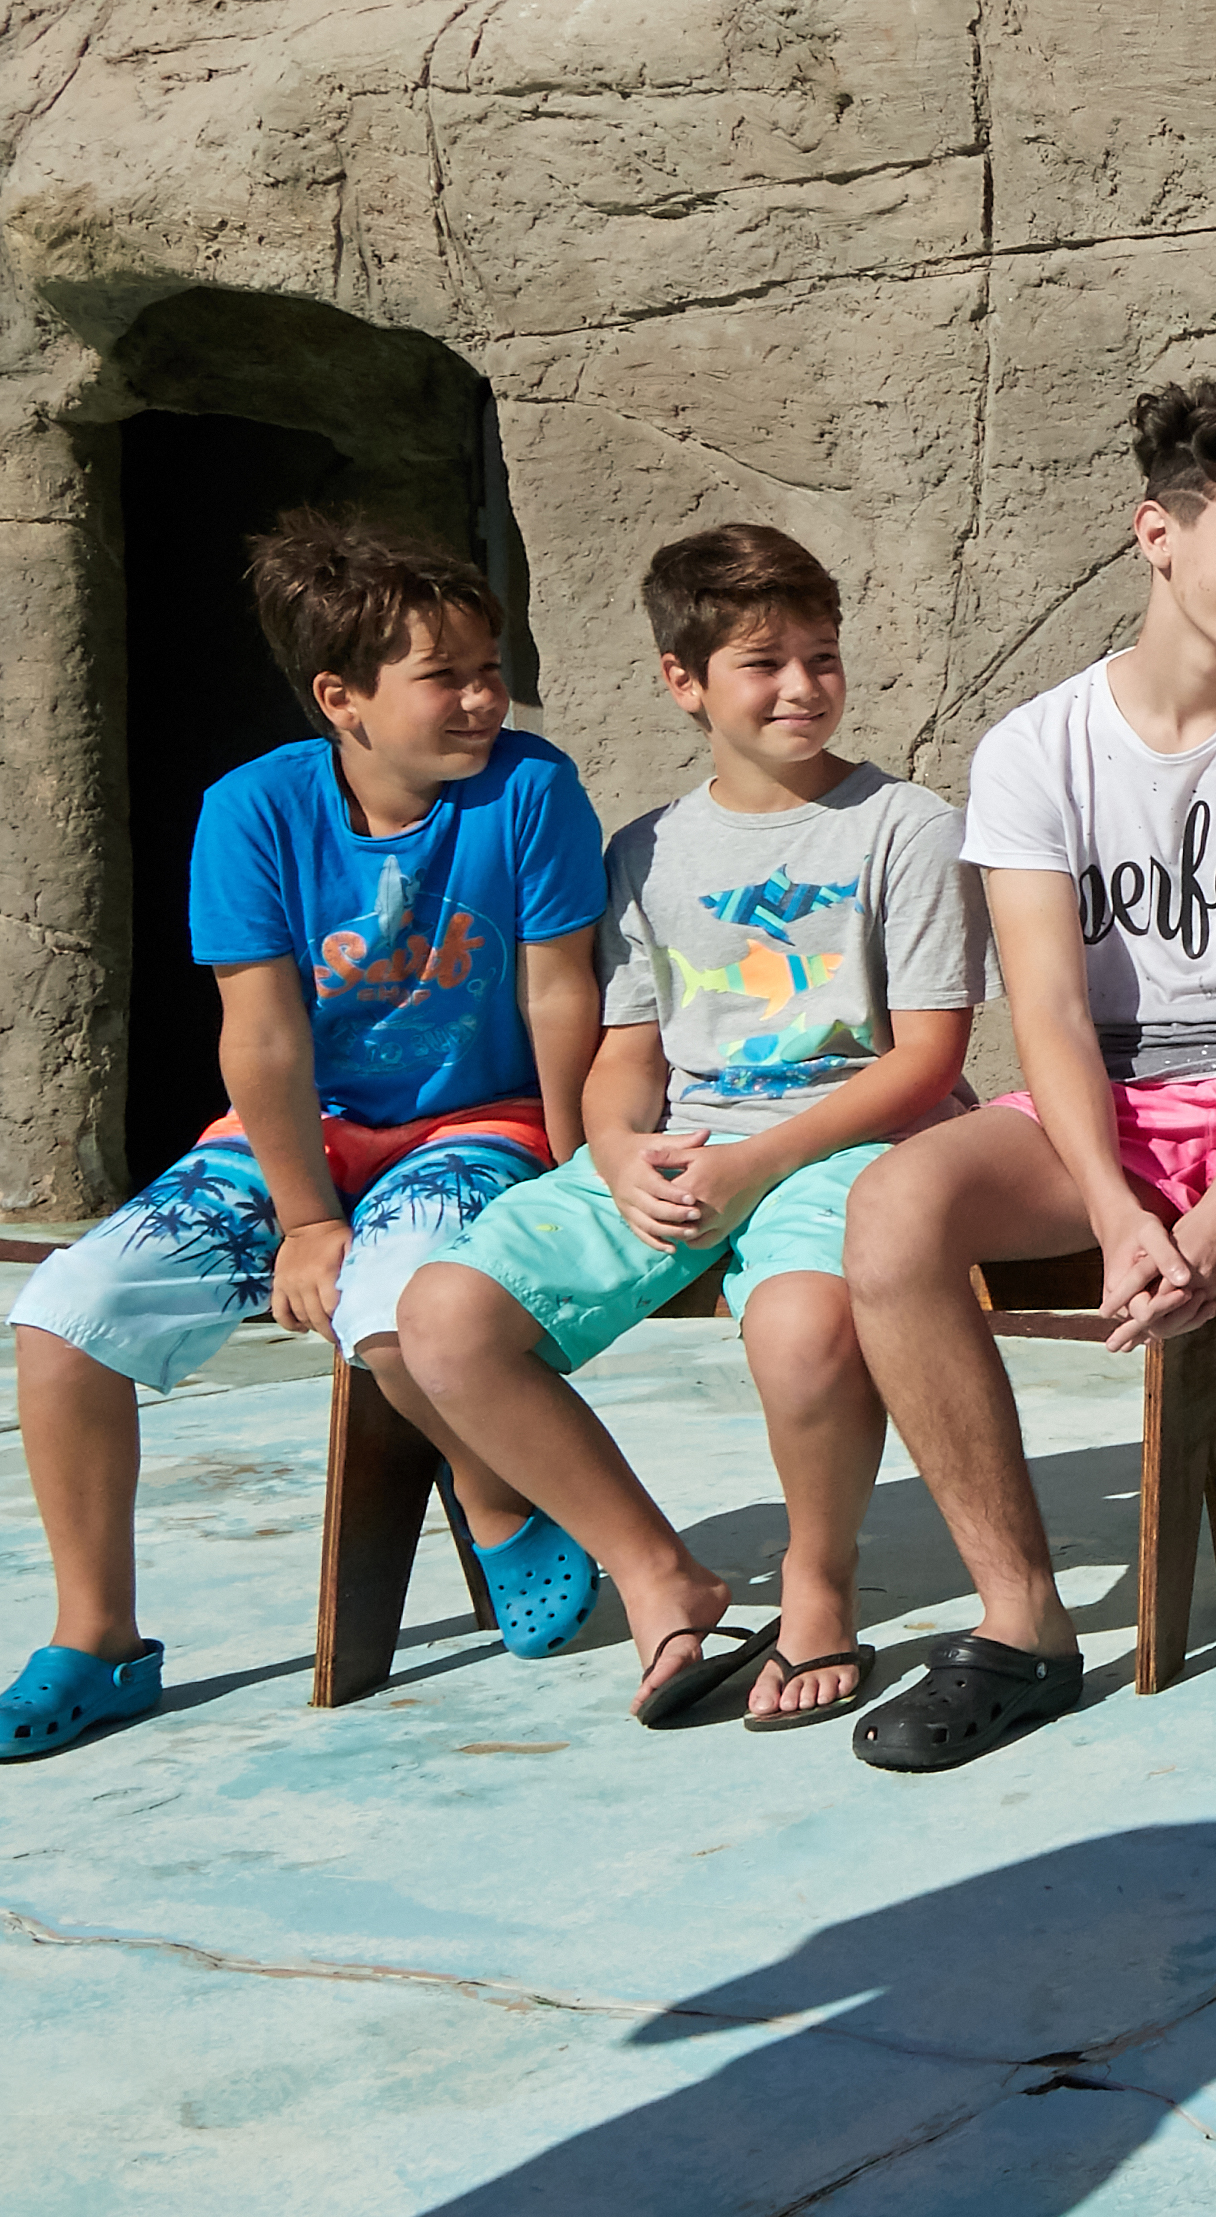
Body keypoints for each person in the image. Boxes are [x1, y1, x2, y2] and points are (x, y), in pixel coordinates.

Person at [840, 381, 1216, 1778]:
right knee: (891, 1211)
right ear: (1156, 534)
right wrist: (1126, 1216)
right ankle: (1023, 1630)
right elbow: (1049, 1011)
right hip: (1109, 1102)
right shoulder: (1034, 749)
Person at [0, 516, 604, 1762]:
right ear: (341, 700)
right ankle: (96, 1643)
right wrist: (305, 1216)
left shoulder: (532, 790)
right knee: (69, 1311)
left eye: (489, 665)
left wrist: (573, 1171)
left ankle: (500, 1494)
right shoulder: (252, 810)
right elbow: (263, 1039)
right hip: (305, 1133)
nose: (483, 697)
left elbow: (559, 989)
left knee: (397, 1303)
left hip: (476, 1122)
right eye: (444, 676)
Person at [391, 525, 982, 1731]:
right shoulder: (647, 851)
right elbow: (629, 1053)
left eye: (822, 657)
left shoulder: (903, 826)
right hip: (688, 1144)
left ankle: (818, 1589)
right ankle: (660, 1572)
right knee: (441, 1319)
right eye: (764, 664)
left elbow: (930, 1059)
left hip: (859, 1139)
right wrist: (614, 1152)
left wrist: (762, 1162)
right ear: (684, 680)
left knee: (803, 1325)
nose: (804, 688)